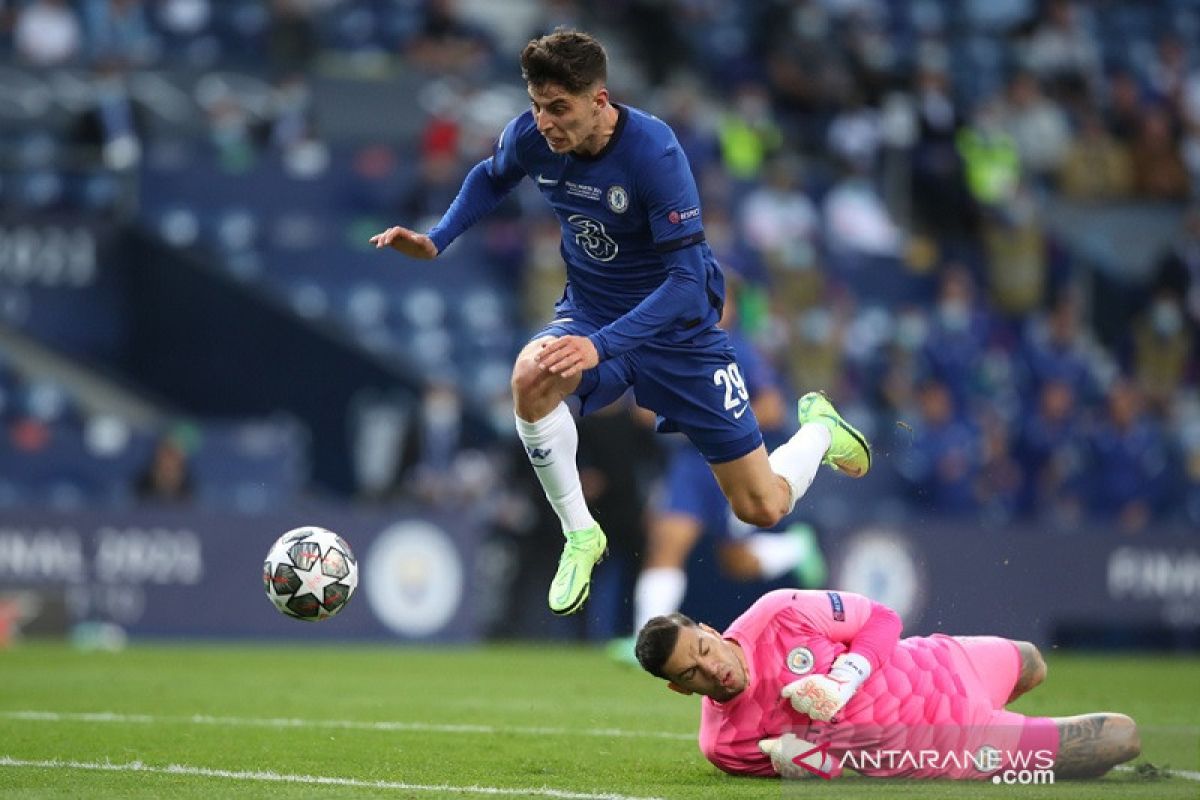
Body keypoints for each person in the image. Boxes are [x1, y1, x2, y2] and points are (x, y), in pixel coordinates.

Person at [371, 29, 871, 616]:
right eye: (536, 106)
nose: (545, 122)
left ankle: (819, 431)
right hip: (590, 311)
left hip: (676, 330)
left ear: (599, 101)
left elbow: (687, 284)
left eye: (559, 108)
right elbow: (491, 174)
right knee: (530, 378)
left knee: (761, 507)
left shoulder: (654, 153)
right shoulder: (533, 136)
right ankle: (581, 533)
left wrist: (599, 347)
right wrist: (437, 238)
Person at [635, 589, 1141, 780]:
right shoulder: (724, 745)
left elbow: (881, 618)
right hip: (954, 744)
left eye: (703, 651)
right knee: (1121, 737)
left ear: (707, 630)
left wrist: (844, 677)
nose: (710, 670)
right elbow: (831, 768)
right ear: (681, 690)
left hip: (940, 661)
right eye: (691, 675)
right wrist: (802, 761)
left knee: (1033, 662)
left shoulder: (777, 612)